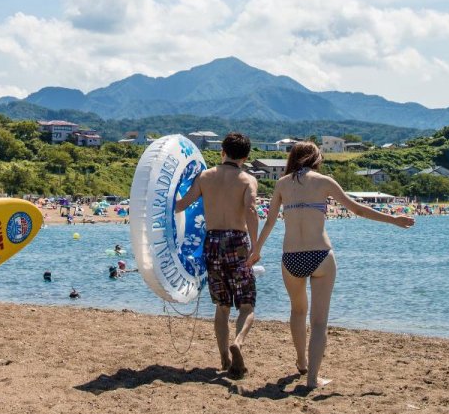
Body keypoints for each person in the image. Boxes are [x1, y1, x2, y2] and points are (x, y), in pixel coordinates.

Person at [251, 141, 414, 391]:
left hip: (291, 256)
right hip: (320, 255)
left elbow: (270, 221)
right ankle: (312, 379)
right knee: (319, 322)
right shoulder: (324, 181)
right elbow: (358, 210)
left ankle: (301, 362)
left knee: (297, 311)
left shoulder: (282, 184)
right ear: (316, 158)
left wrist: (257, 251)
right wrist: (393, 220)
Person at [173, 131, 260, 378]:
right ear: (246, 157)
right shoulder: (247, 180)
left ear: (222, 152)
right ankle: (238, 342)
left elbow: (181, 205)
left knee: (222, 306)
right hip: (237, 242)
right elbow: (251, 211)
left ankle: (223, 358)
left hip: (211, 242)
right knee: (246, 304)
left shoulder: (205, 177)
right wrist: (256, 247)